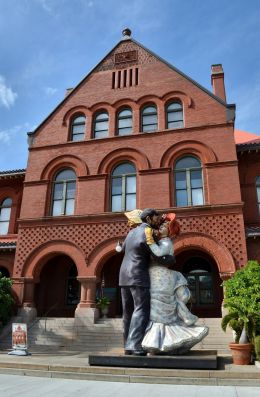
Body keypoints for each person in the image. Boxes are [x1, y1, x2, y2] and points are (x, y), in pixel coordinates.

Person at [141, 213, 209, 354]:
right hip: (155, 275)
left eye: (165, 226)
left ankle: (155, 345)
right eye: (161, 225)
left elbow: (158, 253)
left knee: (158, 307)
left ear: (170, 230)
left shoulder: (166, 242)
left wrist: (150, 241)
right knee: (155, 307)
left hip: (160, 276)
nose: (161, 227)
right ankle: (157, 344)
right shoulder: (162, 241)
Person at [117, 208, 175, 356]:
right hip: (137, 274)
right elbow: (155, 253)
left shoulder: (131, 232)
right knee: (141, 309)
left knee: (127, 311)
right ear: (148, 219)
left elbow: (121, 249)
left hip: (123, 275)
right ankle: (135, 345)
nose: (158, 220)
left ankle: (127, 345)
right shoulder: (147, 231)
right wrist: (169, 258)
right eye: (156, 217)